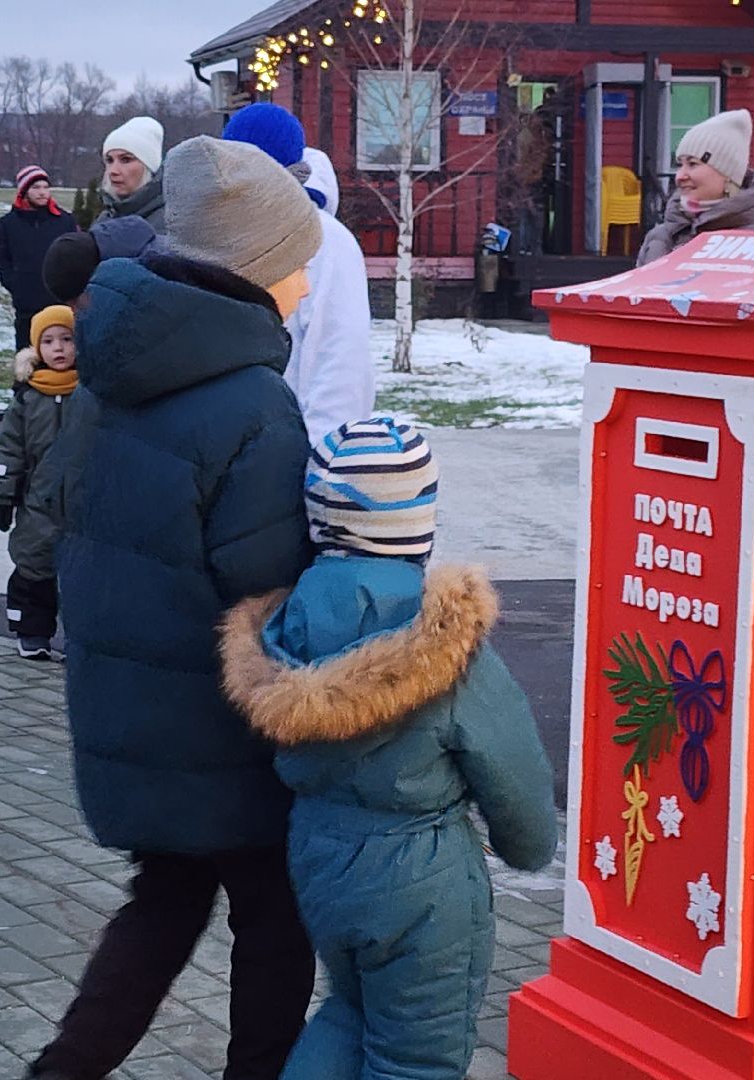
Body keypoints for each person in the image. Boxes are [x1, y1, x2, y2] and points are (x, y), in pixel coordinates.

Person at [24, 135, 322, 1080]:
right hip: (222, 719)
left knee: (167, 898)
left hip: (130, 696)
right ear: (254, 272)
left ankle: (61, 1071)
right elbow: (269, 589)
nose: (307, 290)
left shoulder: (116, 368)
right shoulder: (252, 404)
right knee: (275, 914)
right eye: (296, 269)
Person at [218, 417, 558, 1080]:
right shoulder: (446, 645)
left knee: (350, 1012)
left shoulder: (285, 626)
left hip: (319, 861)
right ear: (418, 523)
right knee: (413, 1058)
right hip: (421, 888)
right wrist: (527, 848)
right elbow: (514, 777)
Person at [221, 104, 376, 448]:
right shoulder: (221, 235)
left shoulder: (325, 241)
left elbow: (342, 356)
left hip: (290, 448)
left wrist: (324, 455)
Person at [0, 304, 76, 662]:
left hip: (83, 501)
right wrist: (4, 495)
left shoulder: (90, 393)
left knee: (81, 574)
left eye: (67, 339)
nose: (58, 348)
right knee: (33, 566)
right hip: (37, 503)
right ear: (36, 349)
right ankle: (31, 631)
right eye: (49, 341)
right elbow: (10, 448)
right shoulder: (28, 398)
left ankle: (82, 638)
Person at [636, 108, 754, 266]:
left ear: (727, 173)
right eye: (680, 165)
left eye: (692, 164)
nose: (680, 176)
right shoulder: (659, 237)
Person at [0, 165, 79, 351]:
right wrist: (15, 284)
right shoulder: (7, 224)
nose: (42, 192)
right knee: (27, 355)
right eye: (36, 188)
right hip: (27, 302)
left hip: (59, 301)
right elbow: (1, 260)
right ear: (24, 191)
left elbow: (78, 254)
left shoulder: (65, 221)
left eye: (45, 187)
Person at [90, 116, 164, 258]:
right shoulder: (105, 218)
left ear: (148, 166)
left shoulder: (169, 221)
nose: (113, 170)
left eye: (126, 160)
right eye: (109, 160)